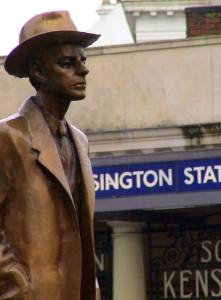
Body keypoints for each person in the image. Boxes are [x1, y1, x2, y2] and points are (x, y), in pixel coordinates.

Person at [0, 11, 101, 299]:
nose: (82, 71)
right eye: (67, 63)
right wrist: (16, 288)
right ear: (39, 72)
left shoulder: (80, 141)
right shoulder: (8, 138)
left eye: (83, 61)